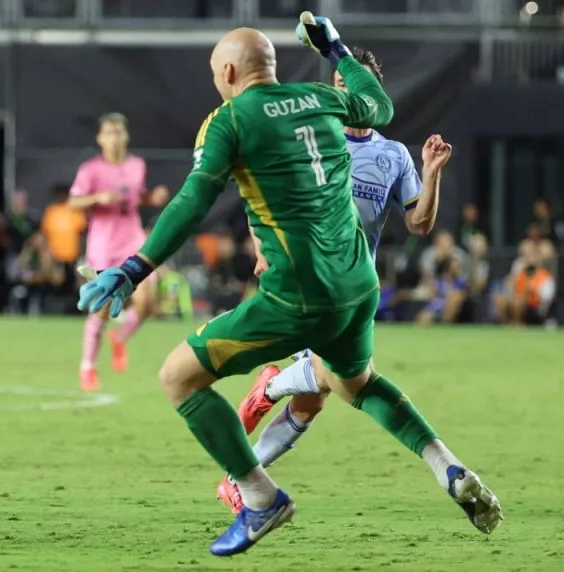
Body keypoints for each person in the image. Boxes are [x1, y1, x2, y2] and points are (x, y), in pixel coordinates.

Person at [77, 15, 500, 557]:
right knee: (354, 383)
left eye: (214, 73)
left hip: (298, 296)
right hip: (359, 287)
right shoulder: (318, 100)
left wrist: (135, 267)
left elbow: (192, 201)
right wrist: (335, 47)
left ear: (227, 70)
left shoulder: (228, 121)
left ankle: (259, 495)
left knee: (178, 377)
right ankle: (448, 466)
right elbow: (383, 108)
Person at [218, 47, 453, 510]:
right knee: (333, 377)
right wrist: (266, 248)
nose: (348, 94)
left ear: (374, 94)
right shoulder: (312, 139)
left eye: (357, 87)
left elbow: (420, 224)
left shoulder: (393, 155)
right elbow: (260, 188)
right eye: (341, 86)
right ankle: (268, 389)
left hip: (352, 281)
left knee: (312, 401)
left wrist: (430, 174)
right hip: (306, 273)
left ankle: (241, 473)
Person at [68, 112, 170, 391]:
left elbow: (138, 195)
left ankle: (120, 338)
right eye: (109, 132)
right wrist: (97, 198)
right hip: (103, 243)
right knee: (100, 307)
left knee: (149, 303)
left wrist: (152, 198)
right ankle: (87, 365)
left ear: (126, 136)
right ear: (100, 138)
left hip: (133, 240)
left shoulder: (137, 165)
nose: (114, 138)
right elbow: (74, 202)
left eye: (118, 132)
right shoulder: (91, 170)